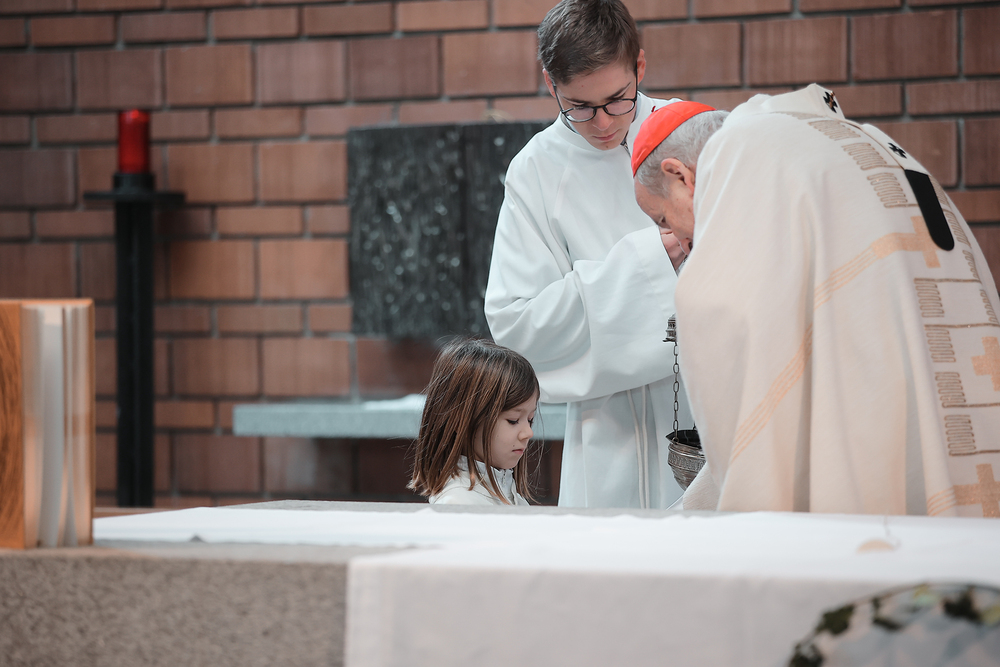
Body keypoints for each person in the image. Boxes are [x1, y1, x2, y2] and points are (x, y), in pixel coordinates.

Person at [631, 85, 1000, 517]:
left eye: (663, 218)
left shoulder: (745, 158)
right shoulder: (844, 141)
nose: (678, 239)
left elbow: (717, 316)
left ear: (680, 176)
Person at [484, 0, 693, 509]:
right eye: (578, 107)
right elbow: (516, 325)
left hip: (703, 404)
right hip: (606, 432)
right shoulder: (536, 170)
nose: (601, 123)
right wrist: (646, 265)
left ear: (639, 67)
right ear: (550, 84)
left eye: (618, 100)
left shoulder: (692, 134)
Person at [409, 338, 539, 506]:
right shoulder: (458, 504)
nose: (528, 433)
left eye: (530, 420)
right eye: (513, 421)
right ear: (460, 420)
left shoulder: (508, 493)